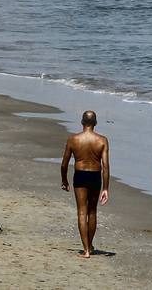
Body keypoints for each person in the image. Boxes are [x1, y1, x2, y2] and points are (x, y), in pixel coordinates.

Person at [60, 110, 111, 259]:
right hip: (95, 175)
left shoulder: (73, 139)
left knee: (82, 212)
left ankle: (86, 249)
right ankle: (90, 245)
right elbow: (106, 166)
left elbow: (64, 164)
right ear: (95, 123)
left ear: (82, 122)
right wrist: (106, 188)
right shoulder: (102, 140)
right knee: (92, 212)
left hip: (80, 175)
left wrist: (64, 180)